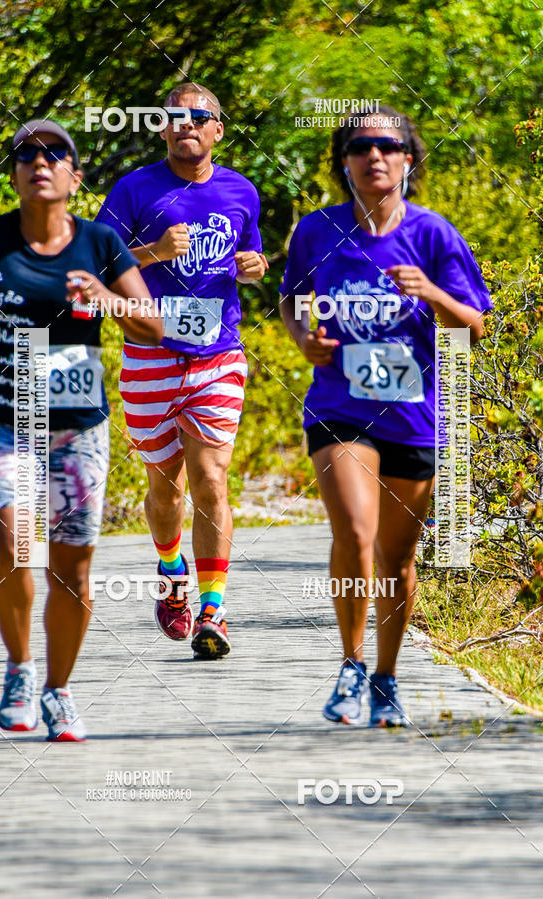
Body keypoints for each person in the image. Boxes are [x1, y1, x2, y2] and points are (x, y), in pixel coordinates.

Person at [0, 120, 162, 740]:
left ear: (75, 174)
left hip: (75, 429)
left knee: (72, 567)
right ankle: (18, 667)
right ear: (13, 175)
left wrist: (106, 297)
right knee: (14, 546)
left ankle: (58, 691)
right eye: (26, 154)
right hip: (1, 420)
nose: (40, 161)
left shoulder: (99, 243)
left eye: (55, 153)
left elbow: (151, 327)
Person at [280, 106, 492, 726]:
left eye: (388, 145)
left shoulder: (432, 235)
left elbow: (473, 328)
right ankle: (348, 666)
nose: (375, 155)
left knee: (397, 562)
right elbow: (294, 300)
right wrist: (302, 338)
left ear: (407, 159)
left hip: (414, 416)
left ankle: (386, 677)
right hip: (340, 407)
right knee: (355, 531)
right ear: (344, 161)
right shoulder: (318, 231)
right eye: (361, 145)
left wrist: (432, 293)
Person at [97, 83, 267, 659]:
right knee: (164, 486)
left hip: (218, 354)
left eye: (200, 117)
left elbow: (250, 260)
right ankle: (172, 574)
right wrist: (150, 252)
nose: (187, 124)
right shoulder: (134, 188)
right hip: (150, 355)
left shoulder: (242, 191)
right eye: (176, 117)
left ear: (219, 129)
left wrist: (254, 266)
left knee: (211, 479)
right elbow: (94, 264)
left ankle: (213, 611)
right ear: (162, 128)